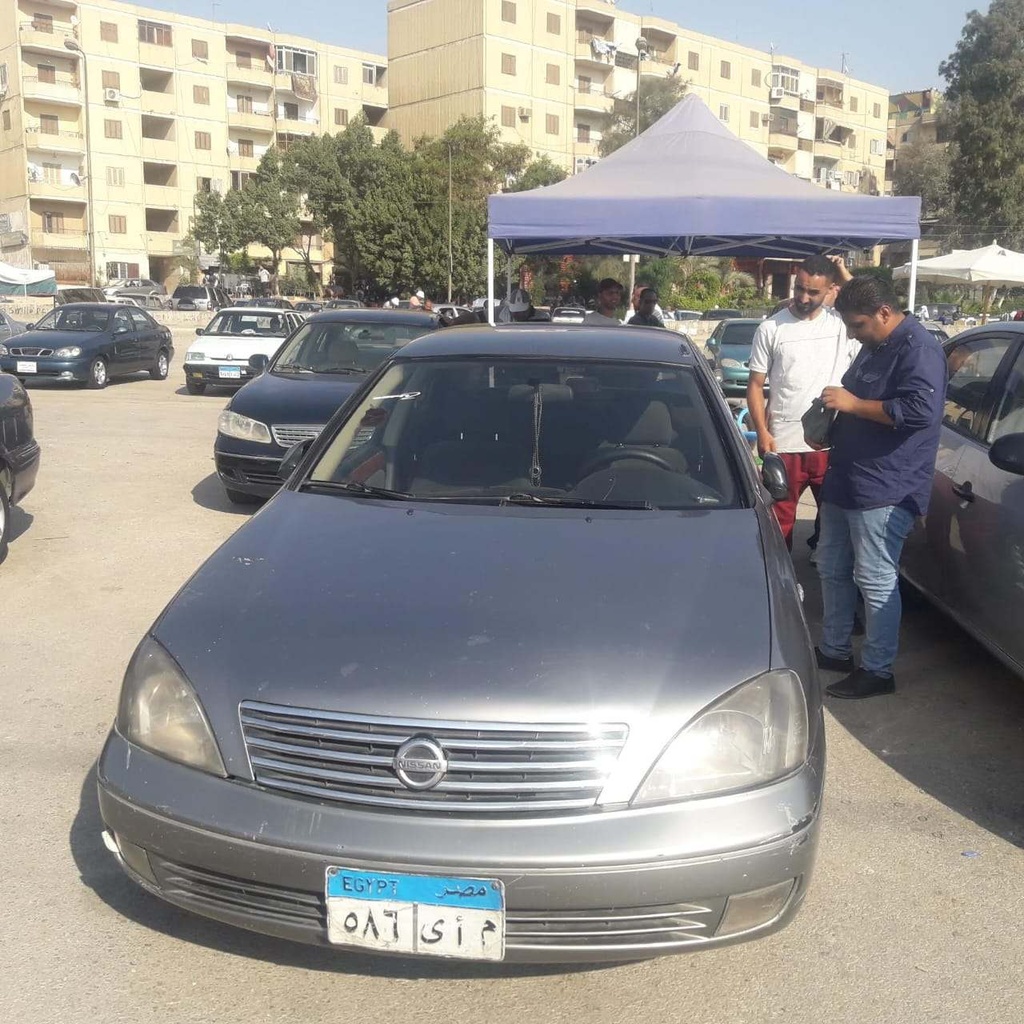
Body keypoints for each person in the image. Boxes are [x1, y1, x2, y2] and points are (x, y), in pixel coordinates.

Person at [815, 275, 947, 700]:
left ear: (884, 313)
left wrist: (852, 404)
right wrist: (831, 417)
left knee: (875, 578)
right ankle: (835, 649)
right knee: (832, 566)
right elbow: (853, 395)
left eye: (858, 325)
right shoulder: (875, 346)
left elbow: (920, 409)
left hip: (885, 487)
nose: (854, 334)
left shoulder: (918, 348)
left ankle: (877, 670)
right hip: (845, 478)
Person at [746, 254, 859, 550]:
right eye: (800, 288)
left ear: (831, 290)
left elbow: (869, 301)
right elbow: (756, 386)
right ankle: (781, 587)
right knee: (778, 528)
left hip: (832, 445)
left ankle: (828, 577)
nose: (803, 297)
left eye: (813, 292)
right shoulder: (771, 329)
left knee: (836, 527)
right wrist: (762, 432)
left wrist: (844, 272)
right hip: (784, 445)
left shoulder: (842, 326)